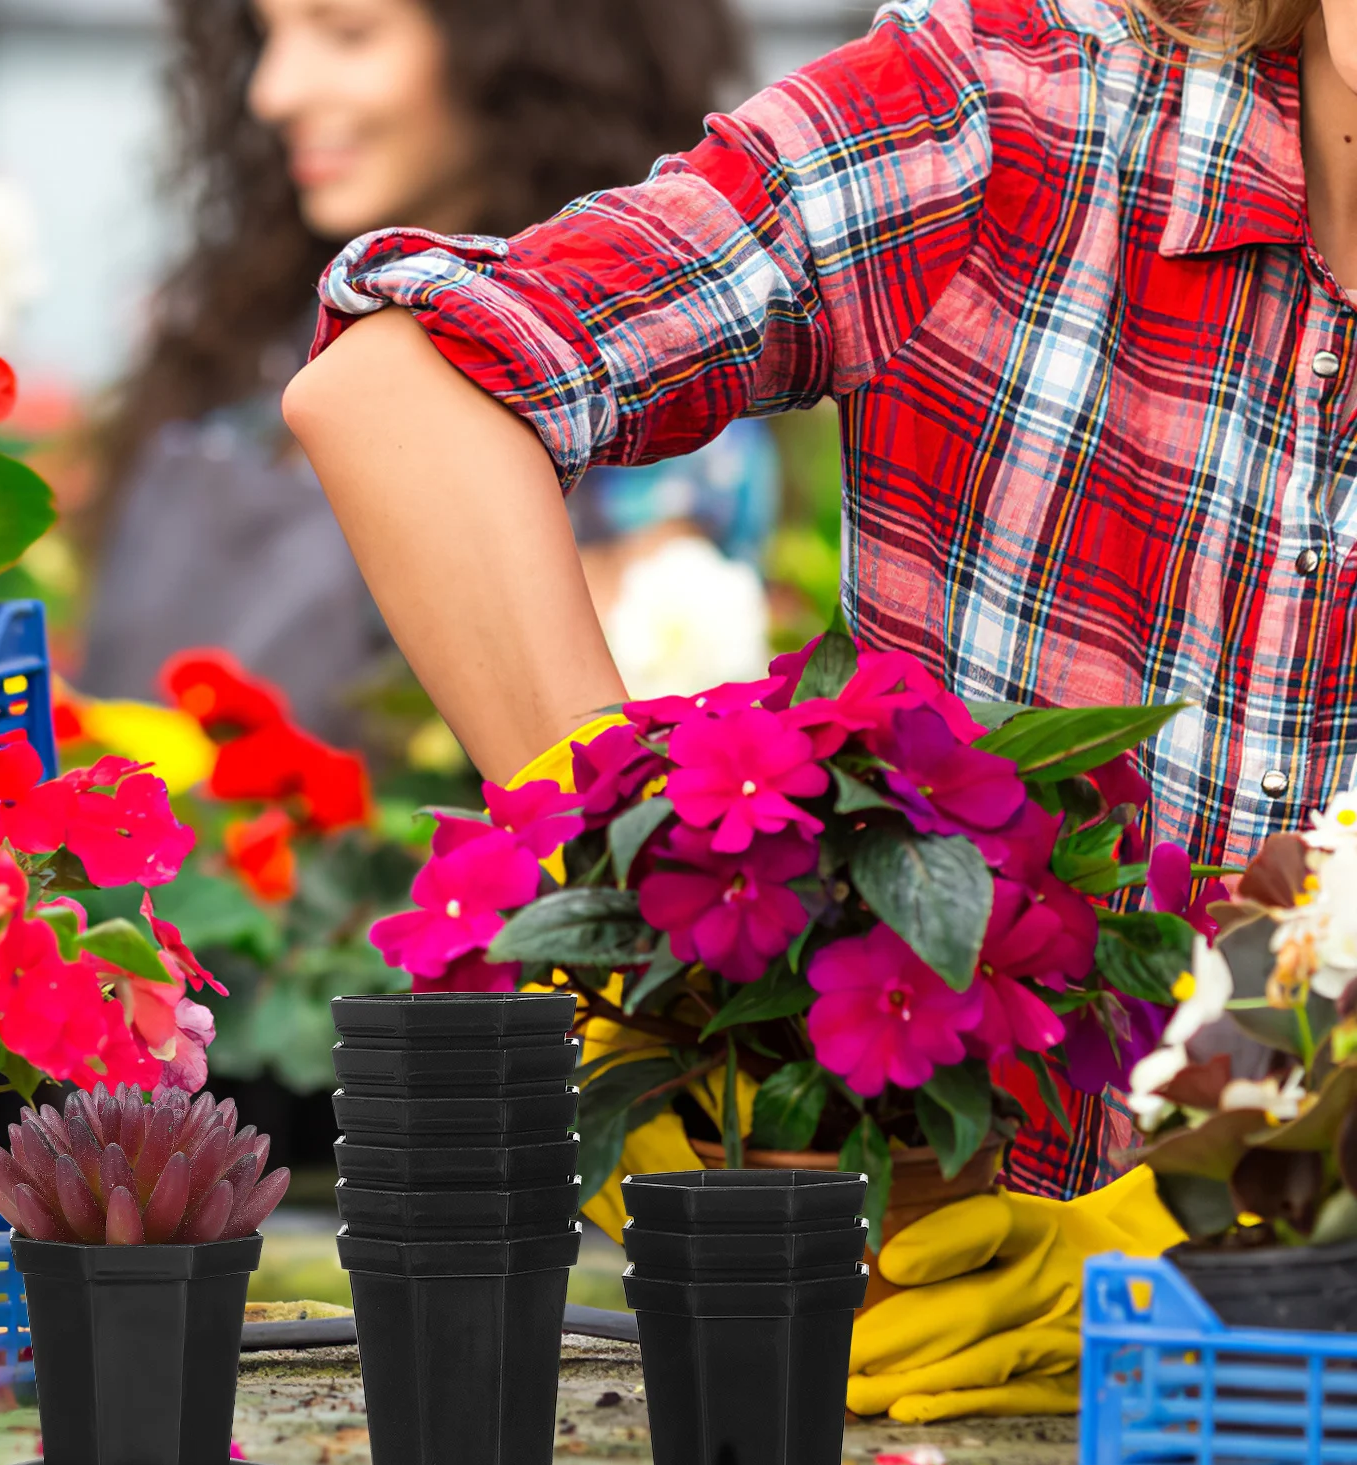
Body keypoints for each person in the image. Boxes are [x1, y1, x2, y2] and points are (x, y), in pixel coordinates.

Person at [281, 0, 1357, 1203]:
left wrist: (1171, 1254)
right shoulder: (1010, 116)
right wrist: (641, 917)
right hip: (897, 1315)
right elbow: (400, 392)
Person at [80, 0, 776, 743]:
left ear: (517, 50)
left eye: (348, 34)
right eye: (264, 37)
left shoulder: (648, 381)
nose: (273, 92)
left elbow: (594, 763)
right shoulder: (242, 335)